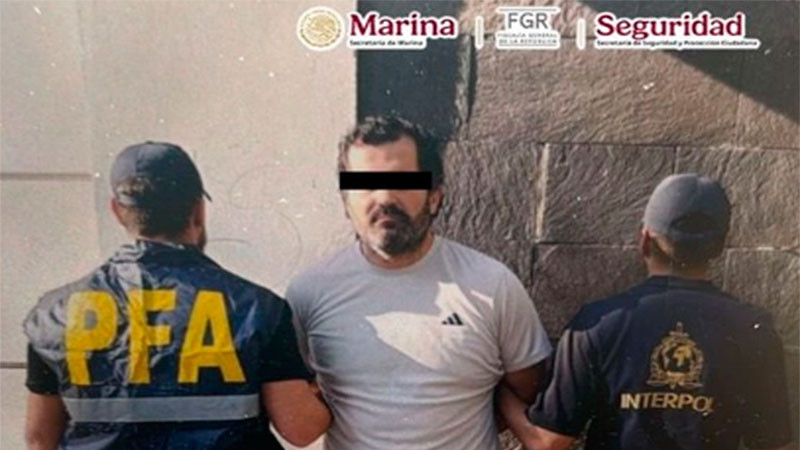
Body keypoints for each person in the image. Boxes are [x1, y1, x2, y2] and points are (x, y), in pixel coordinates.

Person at [23, 141, 331, 450]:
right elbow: (301, 429)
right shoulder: (258, 308)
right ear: (198, 210)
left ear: (117, 211)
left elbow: (39, 439)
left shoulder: (54, 314)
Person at [286, 115, 552, 450]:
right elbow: (293, 401)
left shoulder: (492, 285)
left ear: (434, 196)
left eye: (401, 181)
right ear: (346, 201)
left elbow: (529, 389)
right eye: (365, 185)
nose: (384, 198)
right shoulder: (309, 292)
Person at [499, 173, 793, 450]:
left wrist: (499, 393)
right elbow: (772, 444)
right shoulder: (754, 330)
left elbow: (548, 442)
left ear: (645, 240)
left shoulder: (597, 323)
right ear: (719, 247)